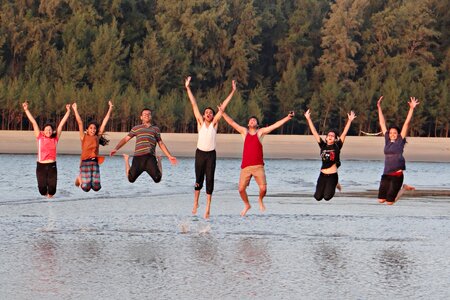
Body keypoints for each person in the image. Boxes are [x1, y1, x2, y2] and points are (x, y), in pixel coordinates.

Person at [219, 108, 295, 216]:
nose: (252, 121)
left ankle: (260, 199)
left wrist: (288, 117)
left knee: (263, 189)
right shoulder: (244, 132)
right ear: (248, 124)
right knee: (241, 189)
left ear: (257, 125)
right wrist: (222, 113)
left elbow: (275, 125)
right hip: (246, 167)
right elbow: (232, 123)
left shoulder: (260, 133)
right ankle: (247, 205)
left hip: (258, 166)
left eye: (254, 120)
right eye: (251, 120)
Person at [185, 76, 237, 219]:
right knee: (198, 179)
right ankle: (195, 202)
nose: (209, 114)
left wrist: (232, 91)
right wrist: (188, 87)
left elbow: (223, 107)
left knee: (210, 180)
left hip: (211, 155)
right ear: (203, 115)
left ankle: (207, 208)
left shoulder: (214, 124)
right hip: (200, 154)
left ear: (213, 116)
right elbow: (194, 104)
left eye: (211, 113)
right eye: (206, 112)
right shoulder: (200, 123)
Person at [110, 108, 177, 184]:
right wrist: (116, 148)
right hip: (138, 157)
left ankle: (159, 160)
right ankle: (126, 159)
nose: (147, 115)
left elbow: (161, 143)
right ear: (141, 117)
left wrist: (169, 156)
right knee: (131, 179)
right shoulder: (136, 128)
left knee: (157, 179)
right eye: (144, 114)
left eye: (148, 114)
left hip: (150, 157)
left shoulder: (156, 129)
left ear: (151, 117)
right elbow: (125, 139)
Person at [304, 109, 356, 201]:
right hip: (322, 175)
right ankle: (335, 185)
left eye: (333, 135)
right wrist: (308, 119)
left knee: (327, 197)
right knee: (317, 197)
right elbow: (314, 132)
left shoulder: (337, 146)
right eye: (329, 135)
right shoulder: (322, 145)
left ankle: (335, 183)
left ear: (335, 139)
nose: (330, 136)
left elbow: (344, 133)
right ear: (326, 138)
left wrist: (350, 120)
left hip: (332, 176)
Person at [22, 101, 71, 198]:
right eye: (46, 130)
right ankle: (45, 202)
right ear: (43, 131)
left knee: (52, 190)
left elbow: (61, 125)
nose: (48, 131)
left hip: (52, 165)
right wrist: (26, 110)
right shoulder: (39, 137)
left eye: (50, 130)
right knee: (42, 190)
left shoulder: (55, 138)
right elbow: (33, 122)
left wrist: (68, 111)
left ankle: (50, 201)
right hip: (41, 166)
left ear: (52, 131)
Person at [377, 96, 419, 205]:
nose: (392, 134)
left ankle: (404, 188)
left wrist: (411, 109)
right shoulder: (387, 140)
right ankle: (404, 188)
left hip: (397, 175)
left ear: (398, 134)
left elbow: (406, 124)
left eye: (394, 133)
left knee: (390, 202)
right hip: (386, 173)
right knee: (381, 200)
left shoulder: (400, 140)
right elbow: (382, 123)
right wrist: (379, 107)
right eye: (390, 133)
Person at [72, 101, 113, 192]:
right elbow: (80, 123)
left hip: (95, 163)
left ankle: (83, 178)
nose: (93, 130)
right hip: (85, 163)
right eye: (91, 128)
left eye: (94, 128)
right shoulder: (83, 137)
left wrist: (110, 108)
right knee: (86, 188)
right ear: (87, 129)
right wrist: (75, 110)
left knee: (96, 188)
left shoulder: (97, 137)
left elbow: (104, 123)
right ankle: (79, 179)